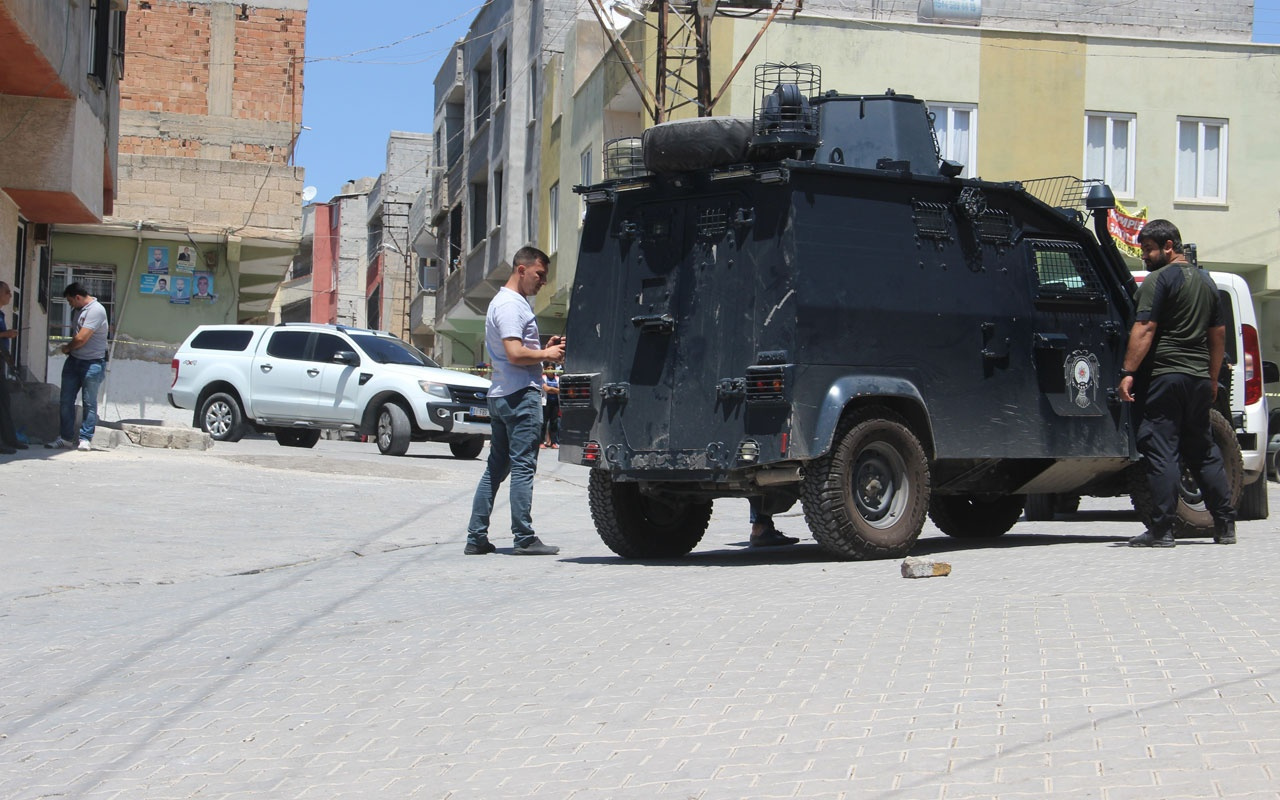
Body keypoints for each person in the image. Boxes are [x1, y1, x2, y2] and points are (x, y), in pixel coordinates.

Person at [1119, 219, 1236, 547]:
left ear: (1169, 246)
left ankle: (1162, 530)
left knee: (1162, 450)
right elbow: (1219, 336)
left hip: (1164, 377)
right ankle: (1225, 525)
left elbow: (1145, 328)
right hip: (1198, 379)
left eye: (1148, 250)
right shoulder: (1207, 282)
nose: (1145, 256)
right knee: (1203, 449)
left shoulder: (1160, 280)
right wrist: (1212, 378)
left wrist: (1127, 371)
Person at [464, 247, 566, 555]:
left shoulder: (505, 303)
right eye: (539, 275)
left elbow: (521, 348)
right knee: (522, 467)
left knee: (496, 467)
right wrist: (546, 354)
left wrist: (541, 347)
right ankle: (523, 538)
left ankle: (476, 537)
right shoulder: (511, 305)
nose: (542, 282)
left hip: (502, 393)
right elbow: (514, 353)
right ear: (521, 270)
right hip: (519, 396)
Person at [46, 282, 108, 452]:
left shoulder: (96, 310)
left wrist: (66, 348)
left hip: (92, 363)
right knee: (66, 401)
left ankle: (85, 439)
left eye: (70, 301)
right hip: (74, 362)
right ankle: (65, 438)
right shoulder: (79, 310)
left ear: (78, 297)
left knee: (89, 402)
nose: (70, 305)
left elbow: (81, 339)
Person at [0, 281, 26, 454]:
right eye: (7, 292)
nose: (10, 295)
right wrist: (5, 334)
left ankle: (10, 439)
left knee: (4, 402)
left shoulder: (1, 314)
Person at [541, 365, 560, 449]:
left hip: (555, 403)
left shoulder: (558, 379)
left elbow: (560, 390)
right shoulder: (543, 378)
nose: (550, 370)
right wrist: (554, 389)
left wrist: (551, 389)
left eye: (552, 368)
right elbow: (546, 389)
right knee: (544, 423)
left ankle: (553, 442)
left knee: (554, 423)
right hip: (545, 403)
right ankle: (541, 442)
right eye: (548, 368)